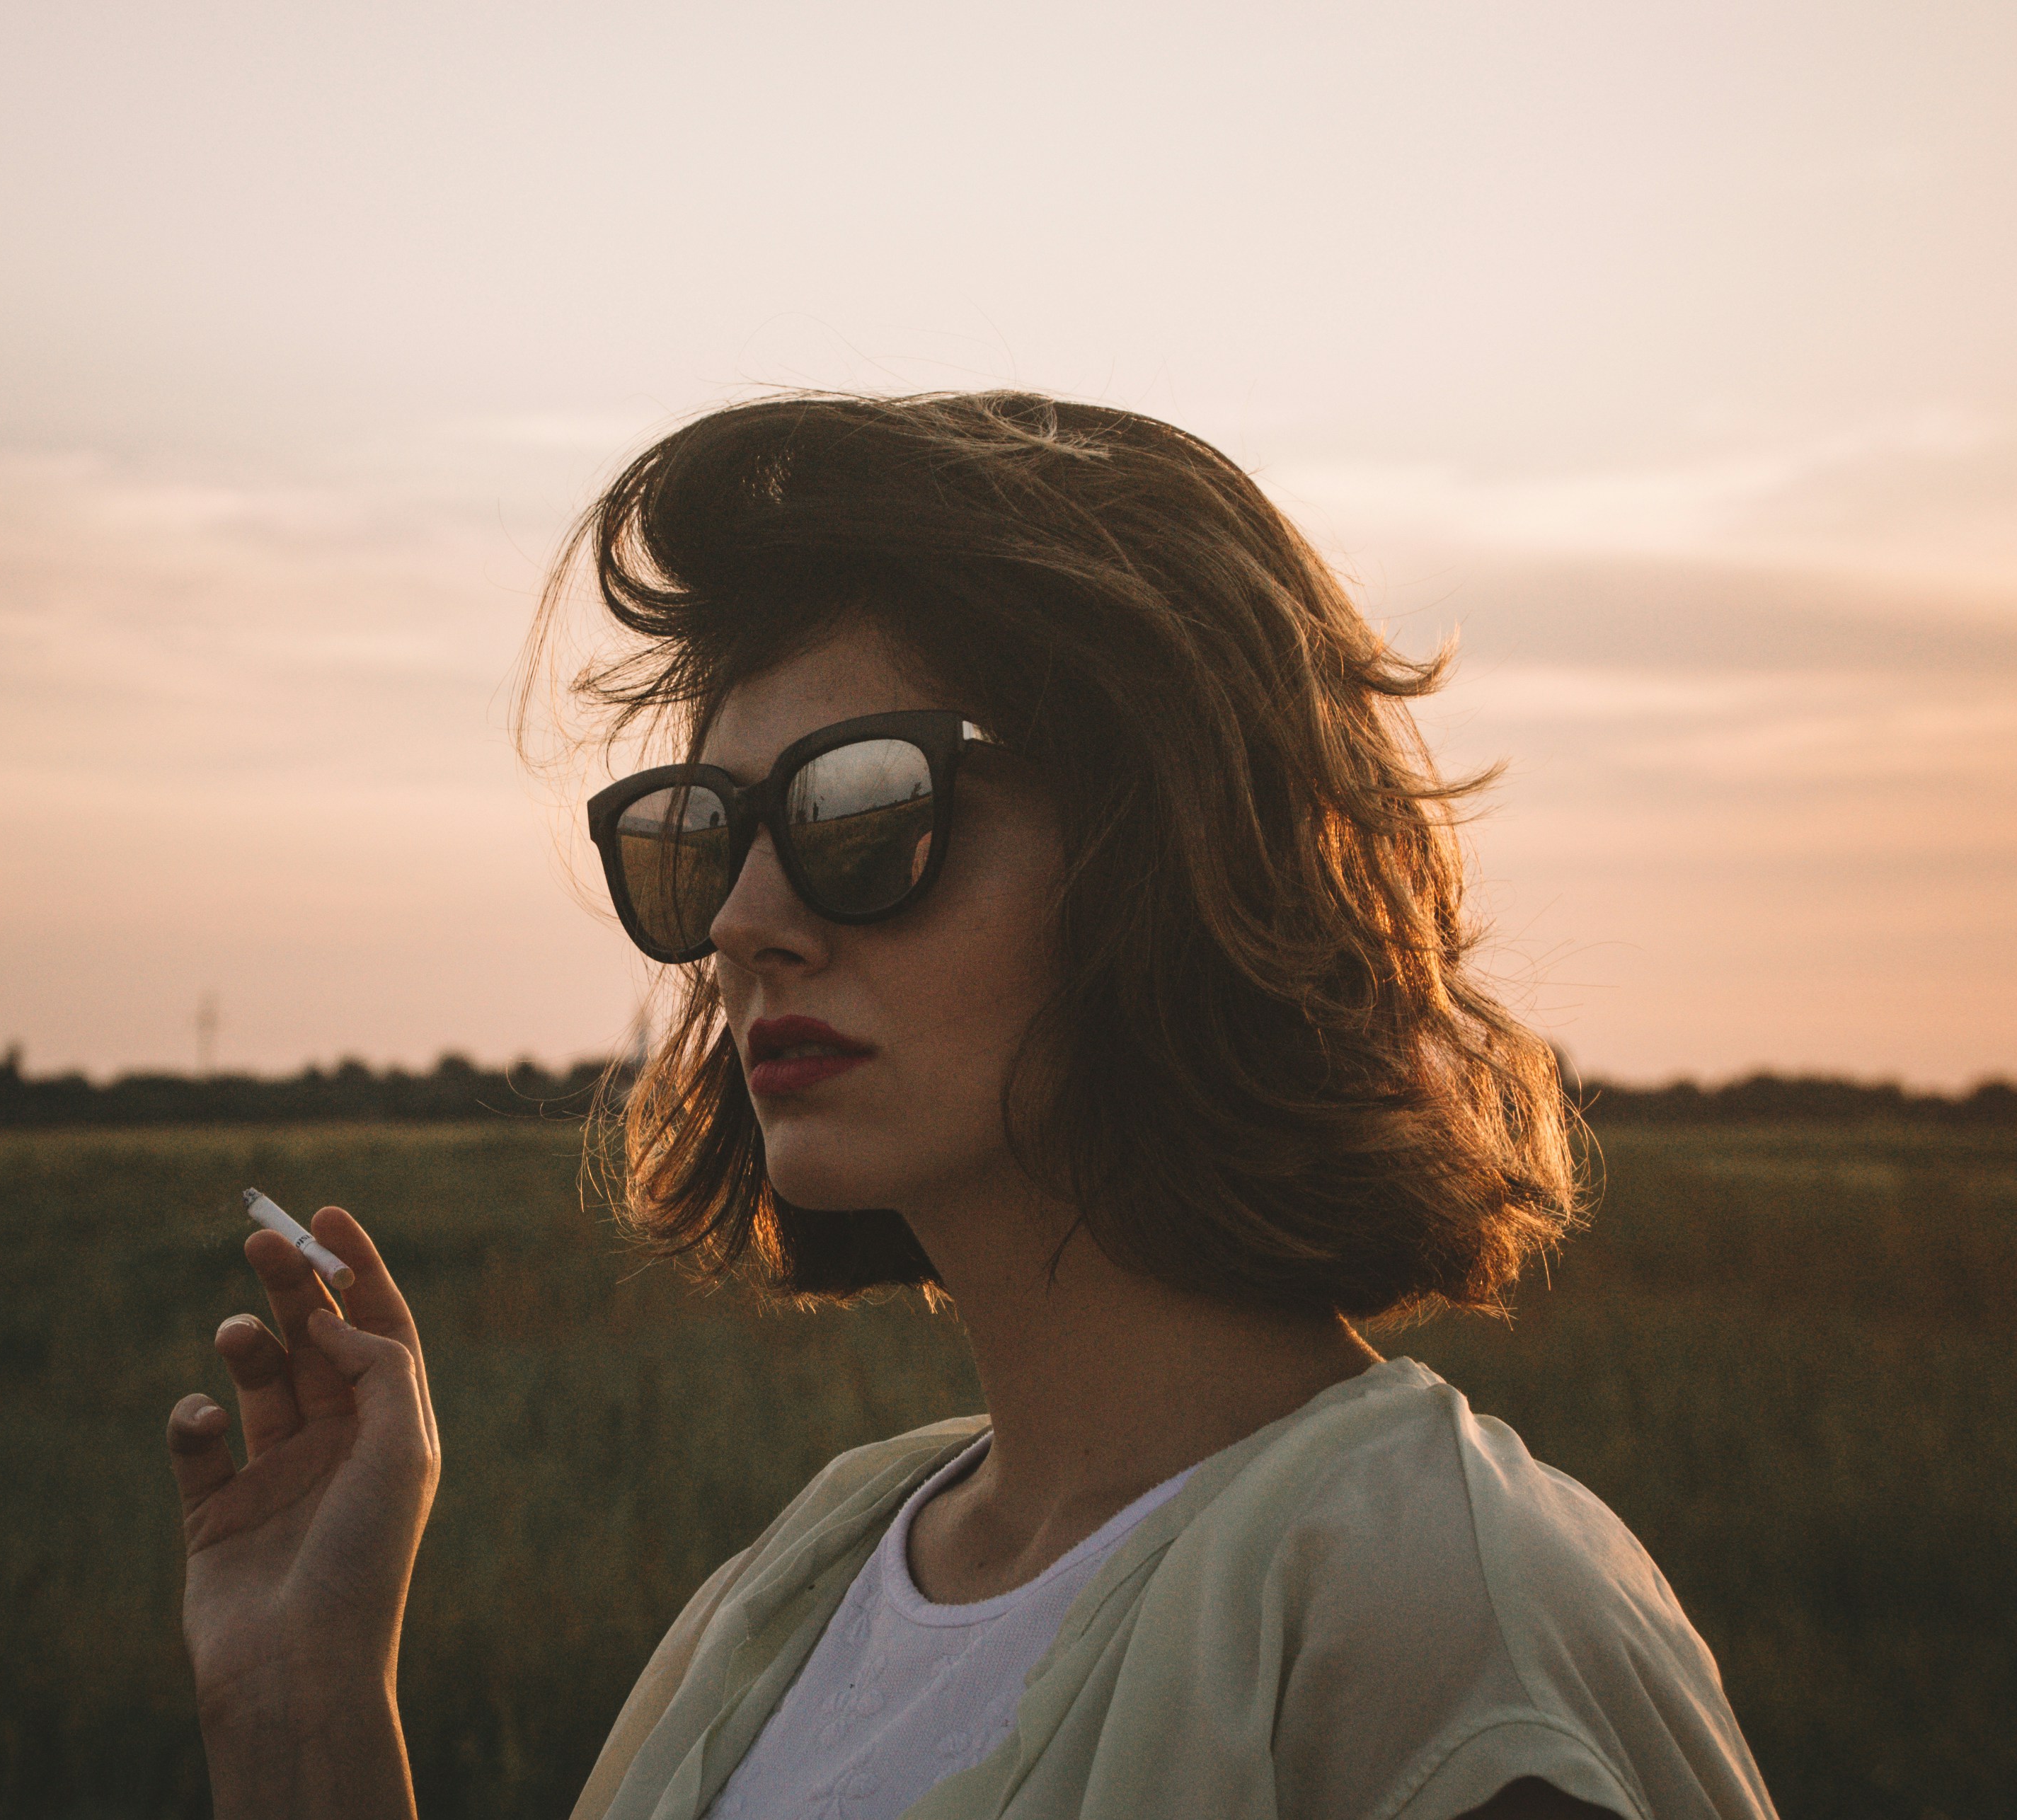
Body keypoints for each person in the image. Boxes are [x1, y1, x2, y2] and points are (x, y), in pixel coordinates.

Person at [164, 393, 1777, 1820]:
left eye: (862, 812)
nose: (742, 920)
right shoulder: (805, 1581)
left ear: (1175, 843)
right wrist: (305, 1707)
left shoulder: (1439, 1618)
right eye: (702, 835)